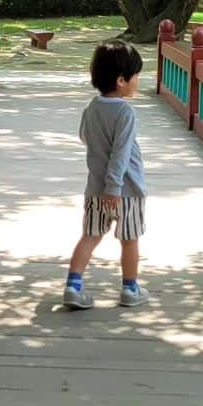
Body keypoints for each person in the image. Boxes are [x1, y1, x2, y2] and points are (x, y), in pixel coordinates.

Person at [63, 40, 149, 310]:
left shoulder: (91, 108)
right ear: (122, 80)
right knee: (129, 239)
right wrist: (114, 187)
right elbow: (121, 152)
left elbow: (83, 137)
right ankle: (130, 289)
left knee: (90, 236)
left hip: (95, 188)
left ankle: (73, 287)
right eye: (136, 76)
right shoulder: (125, 112)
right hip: (126, 191)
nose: (138, 81)